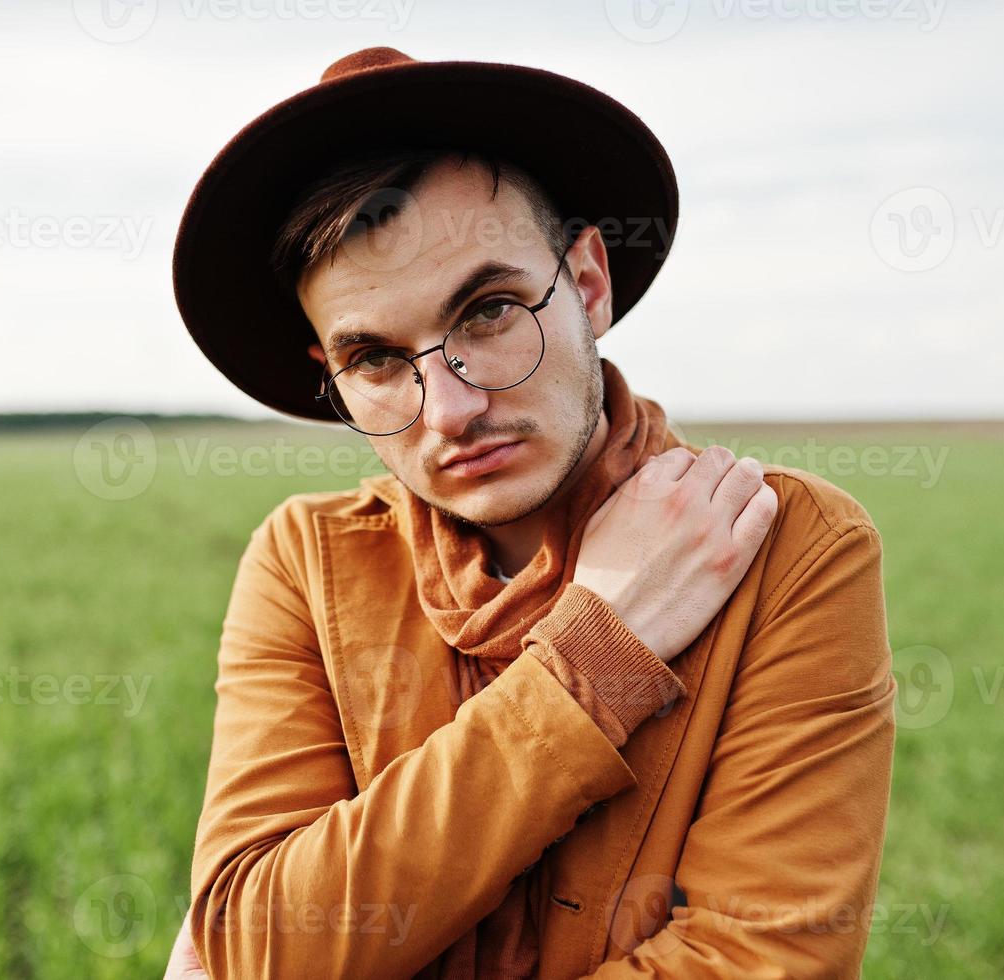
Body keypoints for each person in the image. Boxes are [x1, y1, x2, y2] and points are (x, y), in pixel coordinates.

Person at [164, 47, 896, 979]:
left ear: (587, 283)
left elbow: (764, 958)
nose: (450, 408)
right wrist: (598, 655)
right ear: (333, 377)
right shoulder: (307, 559)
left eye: (489, 311)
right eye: (378, 362)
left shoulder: (785, 544)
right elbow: (256, 947)